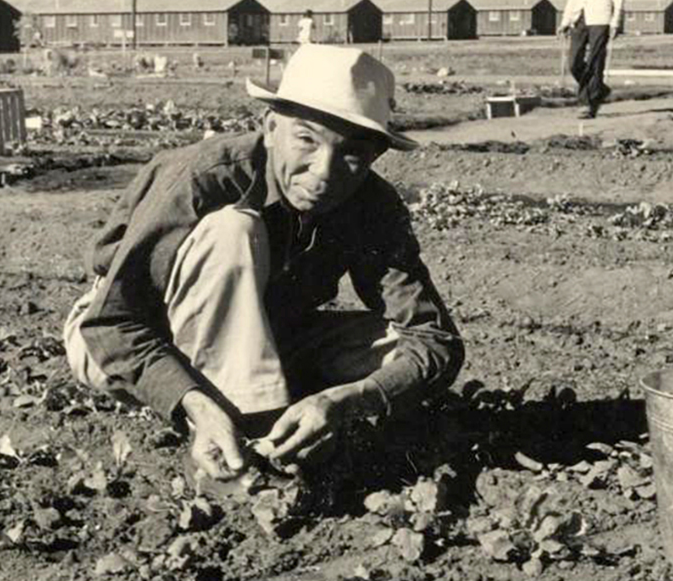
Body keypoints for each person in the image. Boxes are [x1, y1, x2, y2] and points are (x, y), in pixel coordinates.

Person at [64, 44, 464, 482]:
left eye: (352, 152)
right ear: (272, 127)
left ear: (375, 156)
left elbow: (434, 340)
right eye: (306, 139)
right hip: (130, 343)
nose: (324, 171)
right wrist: (196, 406)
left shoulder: (372, 203)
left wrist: (344, 402)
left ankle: (274, 402)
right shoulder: (202, 180)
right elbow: (113, 324)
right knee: (234, 230)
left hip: (266, 338)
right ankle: (250, 447)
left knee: (395, 350)